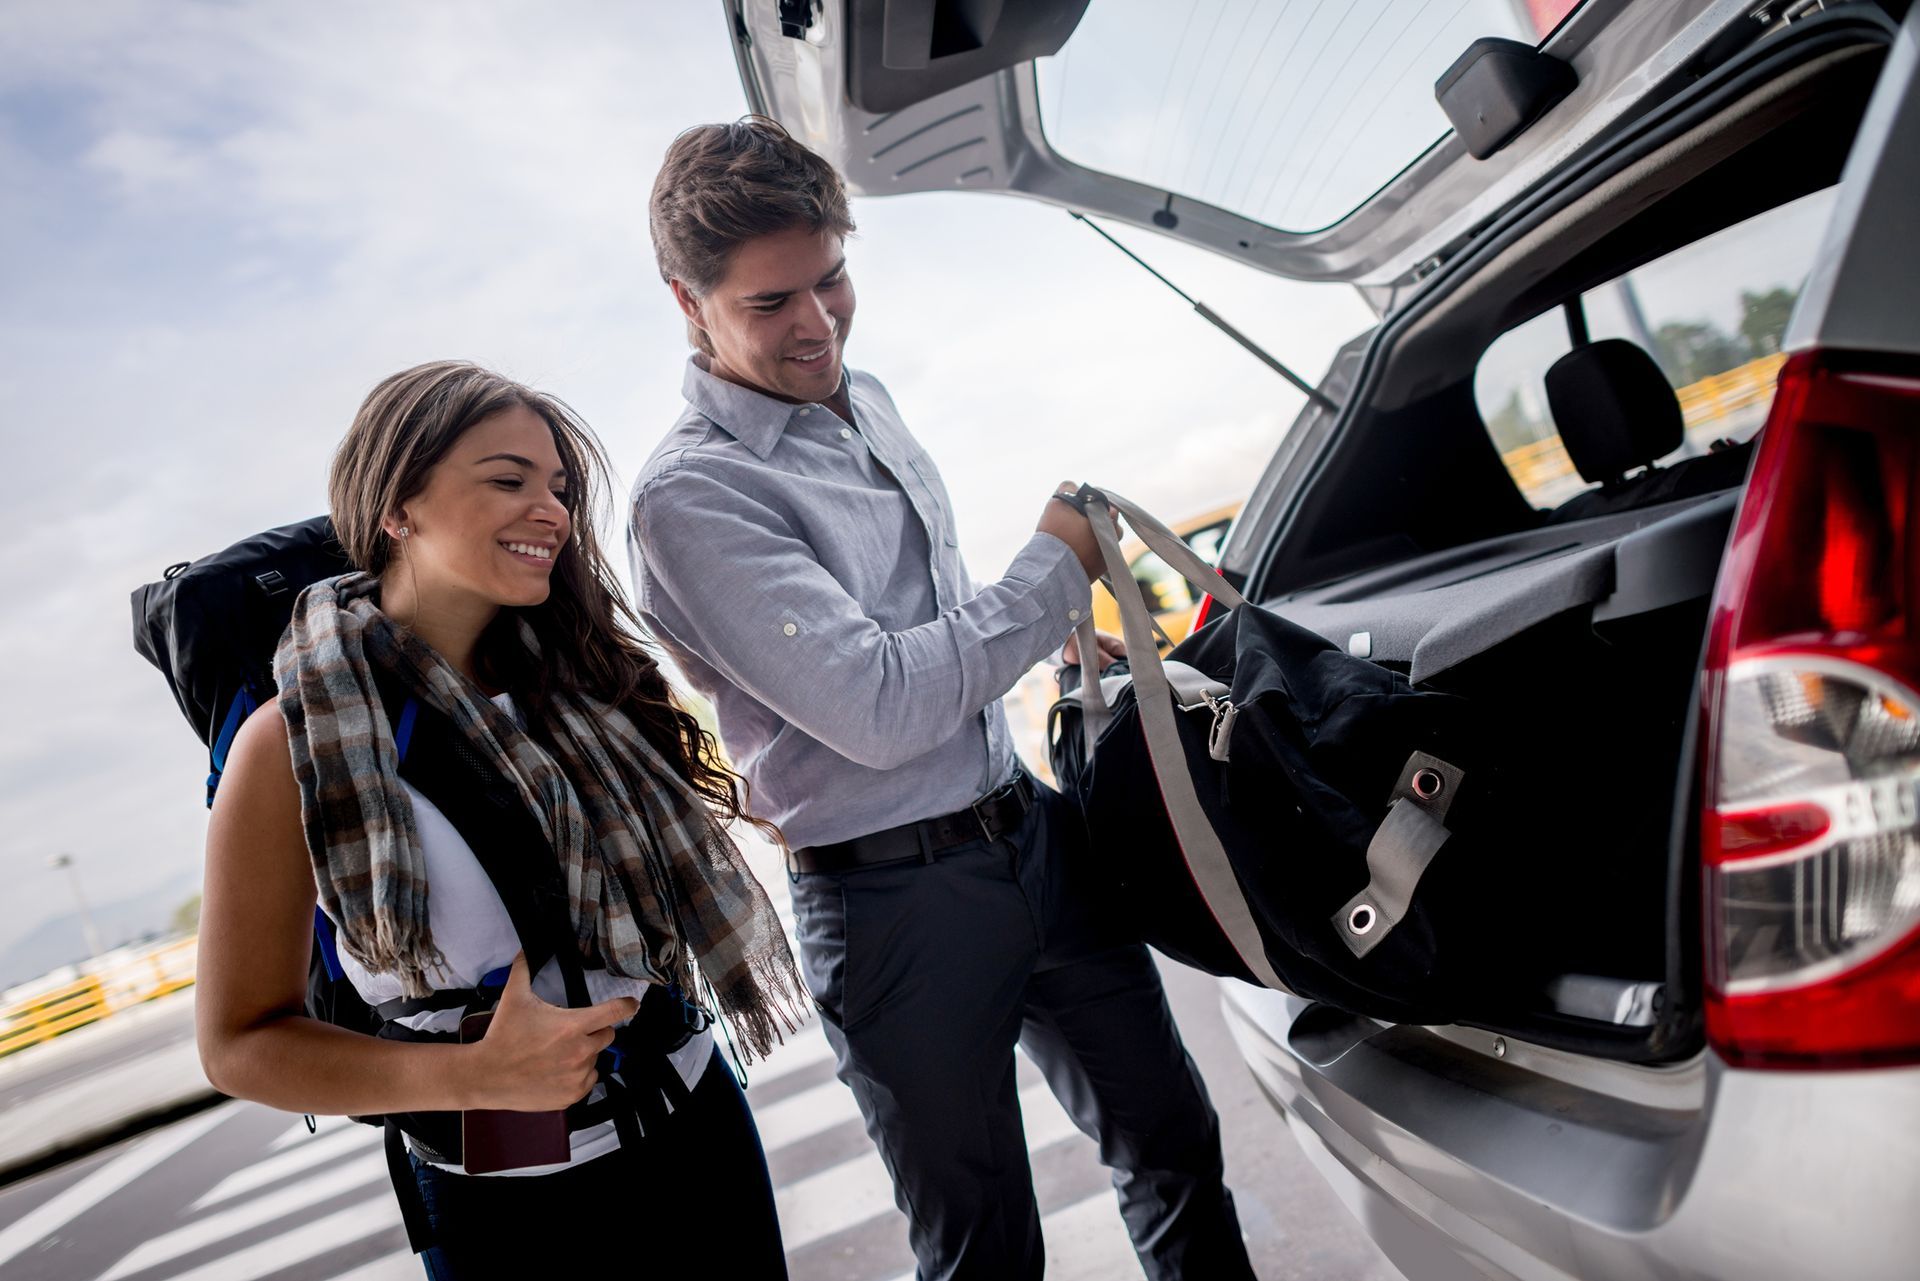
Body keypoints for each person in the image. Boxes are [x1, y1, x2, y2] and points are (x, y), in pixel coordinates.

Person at [628, 118, 1256, 1281]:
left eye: (832, 280)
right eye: (771, 304)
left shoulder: (862, 395)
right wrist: (1053, 565)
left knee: (1176, 1144)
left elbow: (926, 612)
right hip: (893, 912)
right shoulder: (692, 499)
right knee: (985, 1254)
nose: (816, 325)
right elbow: (874, 704)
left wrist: (1064, 633)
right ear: (688, 298)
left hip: (1031, 837)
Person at [197, 361, 804, 1279]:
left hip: (697, 1126)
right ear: (399, 507)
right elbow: (238, 1042)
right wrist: (473, 1076)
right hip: (510, 1206)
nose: (552, 511)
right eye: (508, 480)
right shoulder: (294, 741)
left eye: (558, 487)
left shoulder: (583, 682)